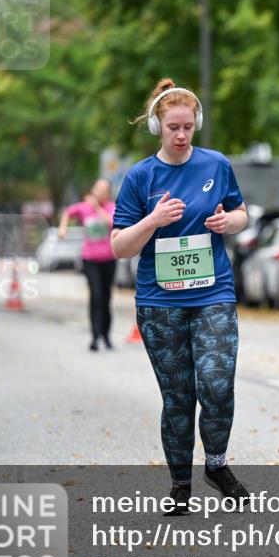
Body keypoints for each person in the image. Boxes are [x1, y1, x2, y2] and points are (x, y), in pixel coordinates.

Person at [110, 78, 250, 516]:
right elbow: (119, 246)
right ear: (158, 127)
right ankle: (180, 485)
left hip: (213, 292)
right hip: (159, 302)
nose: (182, 135)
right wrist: (152, 219)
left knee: (217, 382)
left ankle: (216, 463)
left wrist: (230, 224)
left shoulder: (216, 165)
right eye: (173, 127)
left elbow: (241, 213)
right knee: (178, 397)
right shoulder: (140, 176)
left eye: (188, 126)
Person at [60, 178, 117, 351]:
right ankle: (94, 336)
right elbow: (67, 212)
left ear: (108, 193)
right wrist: (63, 228)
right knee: (96, 294)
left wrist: (97, 208)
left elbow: (110, 222)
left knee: (106, 297)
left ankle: (106, 335)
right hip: (89, 259)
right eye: (97, 188)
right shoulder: (83, 208)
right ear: (92, 190)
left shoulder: (111, 207)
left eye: (103, 189)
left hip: (108, 258)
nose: (99, 192)